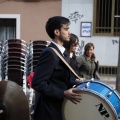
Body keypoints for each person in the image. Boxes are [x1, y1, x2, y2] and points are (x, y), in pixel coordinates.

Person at [32, 16, 82, 120]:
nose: (69, 32)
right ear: (57, 32)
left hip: (57, 108)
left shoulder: (61, 53)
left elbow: (60, 80)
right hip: (48, 112)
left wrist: (80, 83)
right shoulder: (49, 53)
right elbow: (38, 83)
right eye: (66, 29)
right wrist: (63, 93)